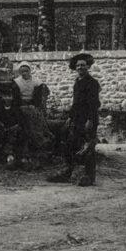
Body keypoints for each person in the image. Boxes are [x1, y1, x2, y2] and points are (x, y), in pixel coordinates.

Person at [48, 52, 100, 187]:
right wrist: (70, 118)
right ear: (75, 68)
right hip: (77, 119)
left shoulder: (93, 83)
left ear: (88, 67)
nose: (80, 68)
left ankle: (89, 176)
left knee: (88, 146)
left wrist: (90, 120)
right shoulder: (77, 82)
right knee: (71, 143)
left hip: (88, 119)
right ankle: (69, 171)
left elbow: (94, 104)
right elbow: (75, 103)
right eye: (78, 66)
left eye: (83, 65)